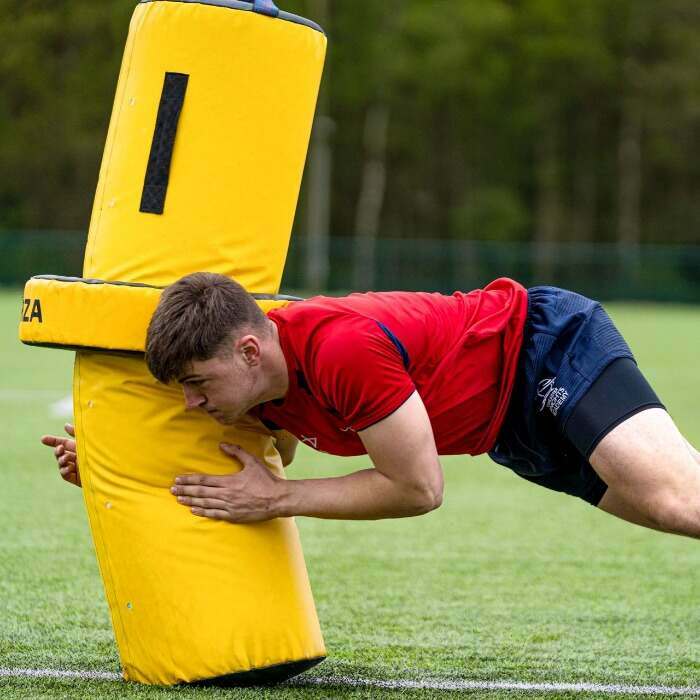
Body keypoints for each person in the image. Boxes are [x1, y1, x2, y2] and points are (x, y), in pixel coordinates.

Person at [42, 272, 700, 537]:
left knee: (678, 499)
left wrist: (278, 499)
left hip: (545, 349)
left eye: (196, 383)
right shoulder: (254, 396)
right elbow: (231, 468)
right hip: (507, 431)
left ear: (248, 351)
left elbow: (419, 489)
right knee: (673, 513)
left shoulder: (340, 349)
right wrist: (105, 462)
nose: (189, 403)